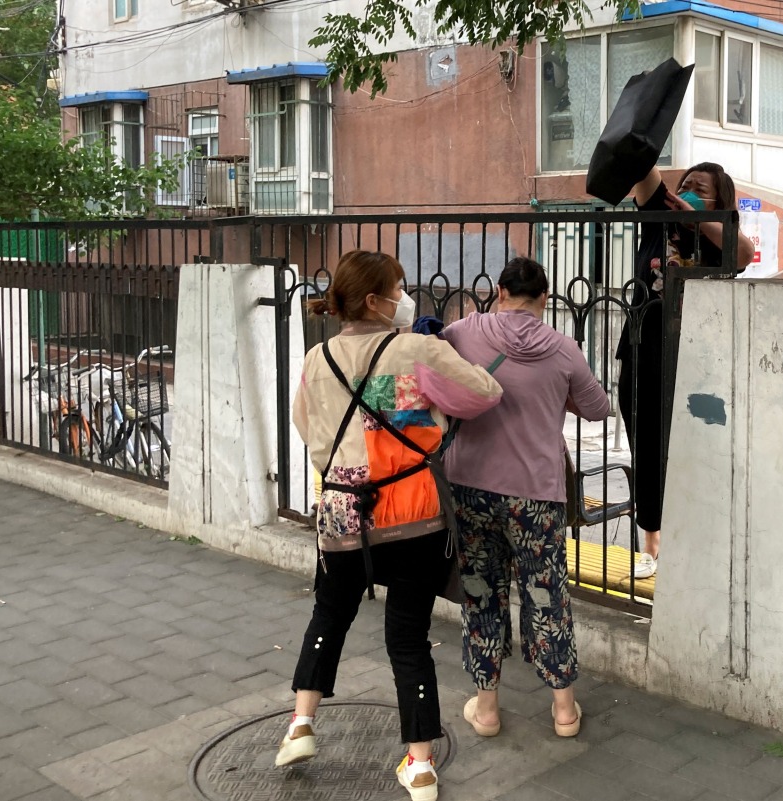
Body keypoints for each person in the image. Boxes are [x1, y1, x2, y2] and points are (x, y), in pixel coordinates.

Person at [279, 250, 503, 801]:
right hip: (412, 515)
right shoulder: (417, 349)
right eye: (401, 288)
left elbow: (305, 426)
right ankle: (421, 766)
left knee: (329, 612)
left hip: (341, 511)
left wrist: (345, 470)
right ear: (377, 300)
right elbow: (485, 394)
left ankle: (301, 725)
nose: (408, 297)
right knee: (408, 639)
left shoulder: (316, 358)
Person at [442, 257, 610, 739]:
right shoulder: (563, 349)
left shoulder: (463, 332)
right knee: (546, 594)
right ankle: (562, 711)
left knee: (481, 593)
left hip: (470, 486)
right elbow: (598, 408)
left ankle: (488, 710)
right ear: (544, 297)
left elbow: (435, 374)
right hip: (536, 495)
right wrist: (559, 396)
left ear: (499, 291)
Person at [616, 163, 754, 579]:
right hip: (643, 350)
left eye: (701, 189)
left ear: (719, 202)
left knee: (699, 449)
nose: (689, 190)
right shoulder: (658, 220)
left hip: (701, 360)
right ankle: (651, 542)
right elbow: (642, 170)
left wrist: (699, 219)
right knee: (647, 447)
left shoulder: (719, 236)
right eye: (686, 184)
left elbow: (744, 253)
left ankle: (699, 540)